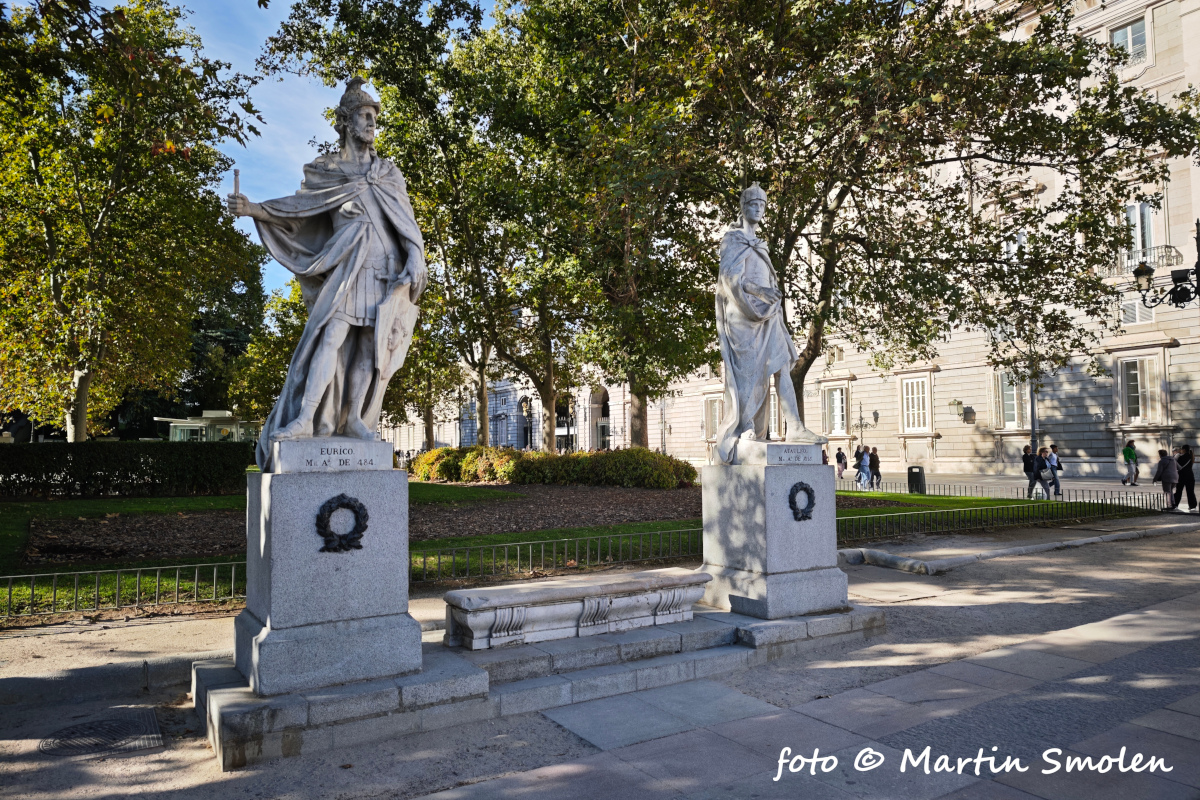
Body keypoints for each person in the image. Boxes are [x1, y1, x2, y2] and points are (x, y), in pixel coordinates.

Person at [1173, 444, 1196, 512]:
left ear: (1184, 450)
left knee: (1178, 491)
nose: (1180, 450)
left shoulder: (1182, 457)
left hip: (1182, 476)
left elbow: (1176, 465)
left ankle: (1175, 504)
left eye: (1181, 449)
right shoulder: (1191, 456)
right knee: (1190, 492)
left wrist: (1176, 456)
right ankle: (1192, 505)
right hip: (1190, 476)